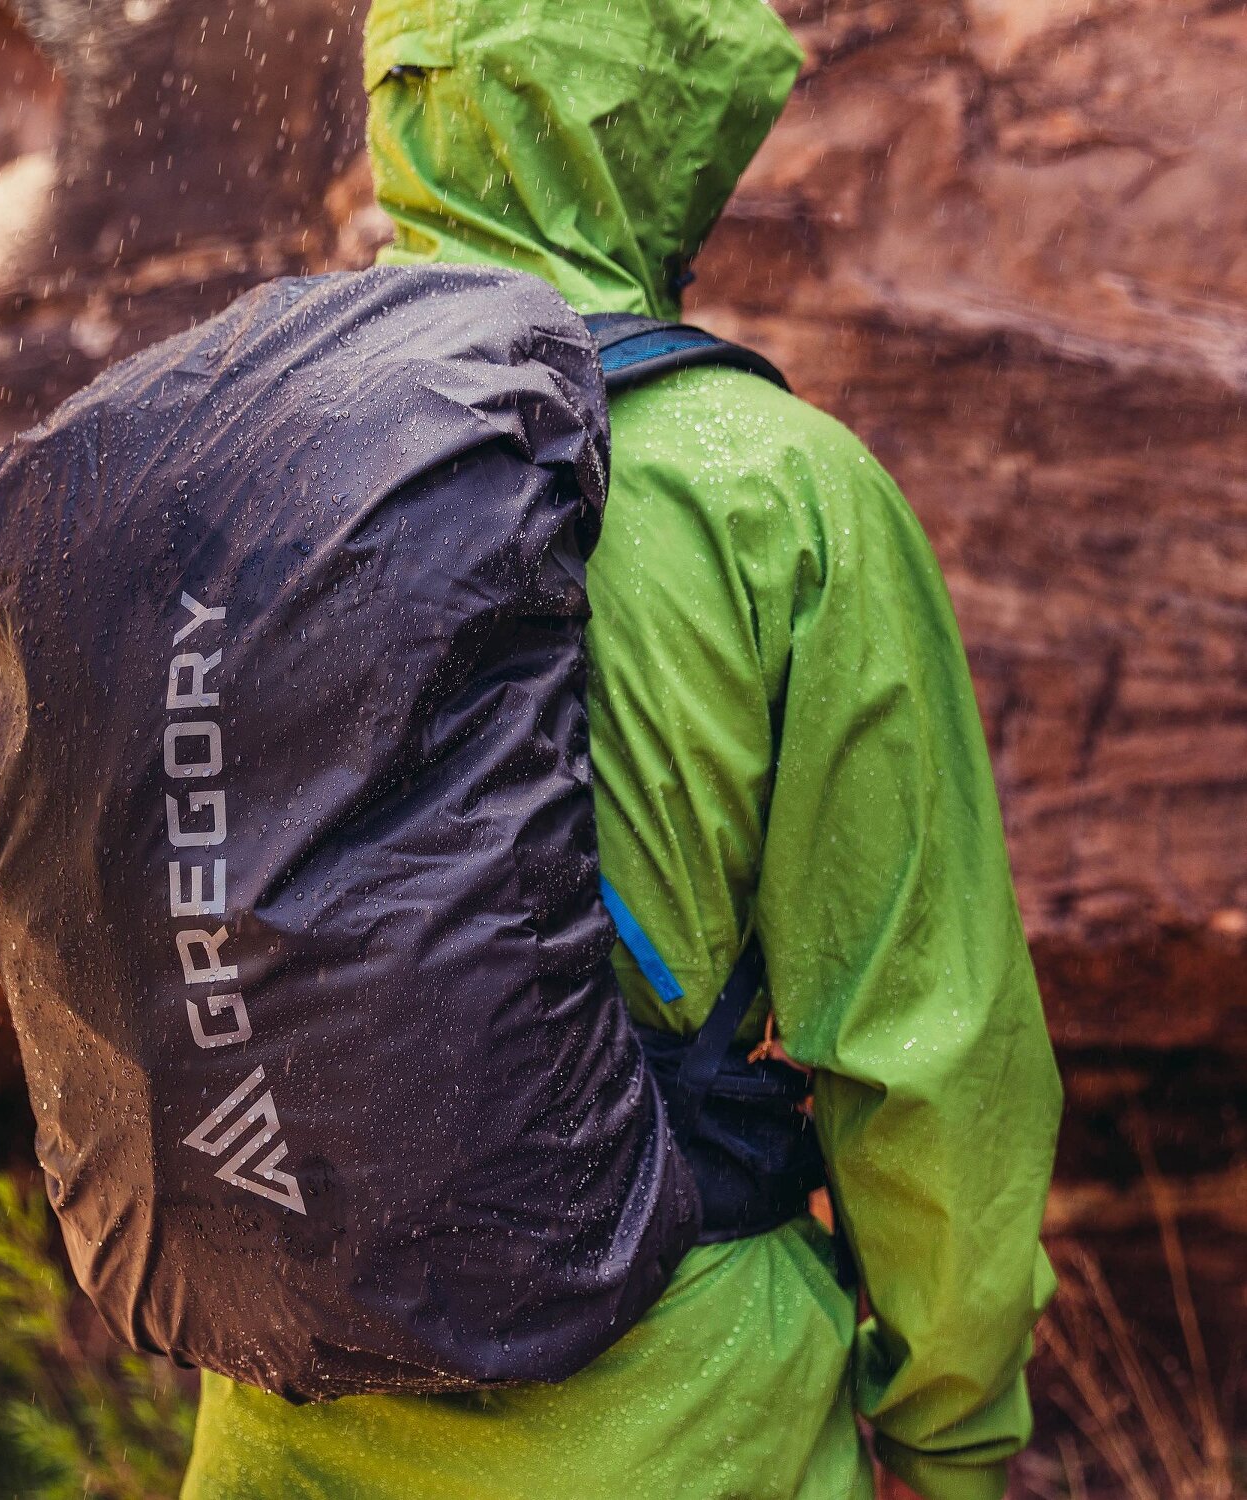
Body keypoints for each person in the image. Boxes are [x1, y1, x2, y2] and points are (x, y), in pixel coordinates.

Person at [182, 0, 1062, 1495]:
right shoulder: (773, 489)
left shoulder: (235, 460)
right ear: (655, 112)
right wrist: (952, 1435)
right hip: (682, 1426)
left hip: (280, 1418)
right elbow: (925, 1051)